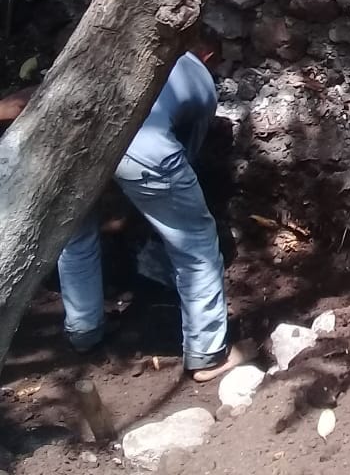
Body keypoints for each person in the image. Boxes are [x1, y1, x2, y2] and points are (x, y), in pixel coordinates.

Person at [5, 31, 239, 382]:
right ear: (207, 57)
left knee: (74, 236)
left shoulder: (123, 53)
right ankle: (208, 354)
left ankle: (84, 331)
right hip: (142, 151)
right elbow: (184, 155)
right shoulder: (201, 78)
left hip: (70, 149)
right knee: (196, 243)